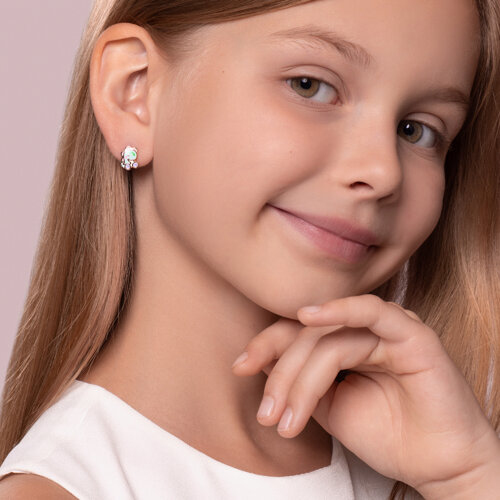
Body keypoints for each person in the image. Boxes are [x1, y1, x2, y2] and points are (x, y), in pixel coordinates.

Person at [0, 0, 499, 498]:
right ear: (134, 92)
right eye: (310, 85)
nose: (383, 171)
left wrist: (469, 477)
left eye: (417, 130)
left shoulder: (432, 457)